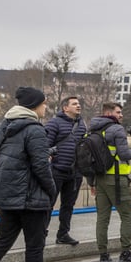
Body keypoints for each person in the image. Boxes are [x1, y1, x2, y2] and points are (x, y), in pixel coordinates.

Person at [0, 87, 64, 262]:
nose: (46, 107)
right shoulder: (34, 129)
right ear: (34, 105)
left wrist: (46, 151)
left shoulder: (4, 126)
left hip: (9, 195)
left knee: (3, 242)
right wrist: (52, 191)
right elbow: (40, 168)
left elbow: (14, 155)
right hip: (31, 198)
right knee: (35, 245)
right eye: (44, 103)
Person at [89, 102, 131, 262]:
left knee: (102, 219)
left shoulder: (92, 129)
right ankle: (125, 253)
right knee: (126, 216)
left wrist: (91, 182)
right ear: (108, 112)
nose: (120, 115)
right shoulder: (117, 129)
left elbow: (89, 158)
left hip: (99, 179)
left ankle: (103, 255)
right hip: (117, 179)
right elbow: (123, 153)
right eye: (118, 112)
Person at [45, 96, 86, 246]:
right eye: (74, 104)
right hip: (56, 171)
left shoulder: (82, 124)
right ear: (65, 108)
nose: (78, 106)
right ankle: (41, 233)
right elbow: (45, 146)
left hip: (75, 172)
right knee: (48, 204)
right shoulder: (54, 123)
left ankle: (63, 234)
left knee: (68, 205)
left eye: (79, 104)